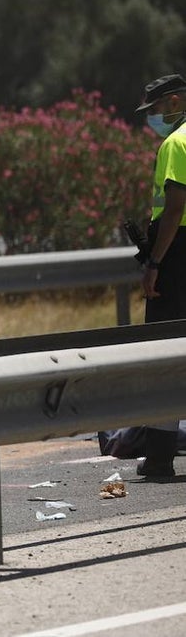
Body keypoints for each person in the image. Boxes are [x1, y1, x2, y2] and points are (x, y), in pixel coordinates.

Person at [132, 73, 186, 480]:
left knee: (164, 352)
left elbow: (173, 208)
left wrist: (154, 264)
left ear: (174, 101)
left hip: (177, 255)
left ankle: (160, 456)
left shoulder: (176, 143)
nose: (153, 118)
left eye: (155, 109)